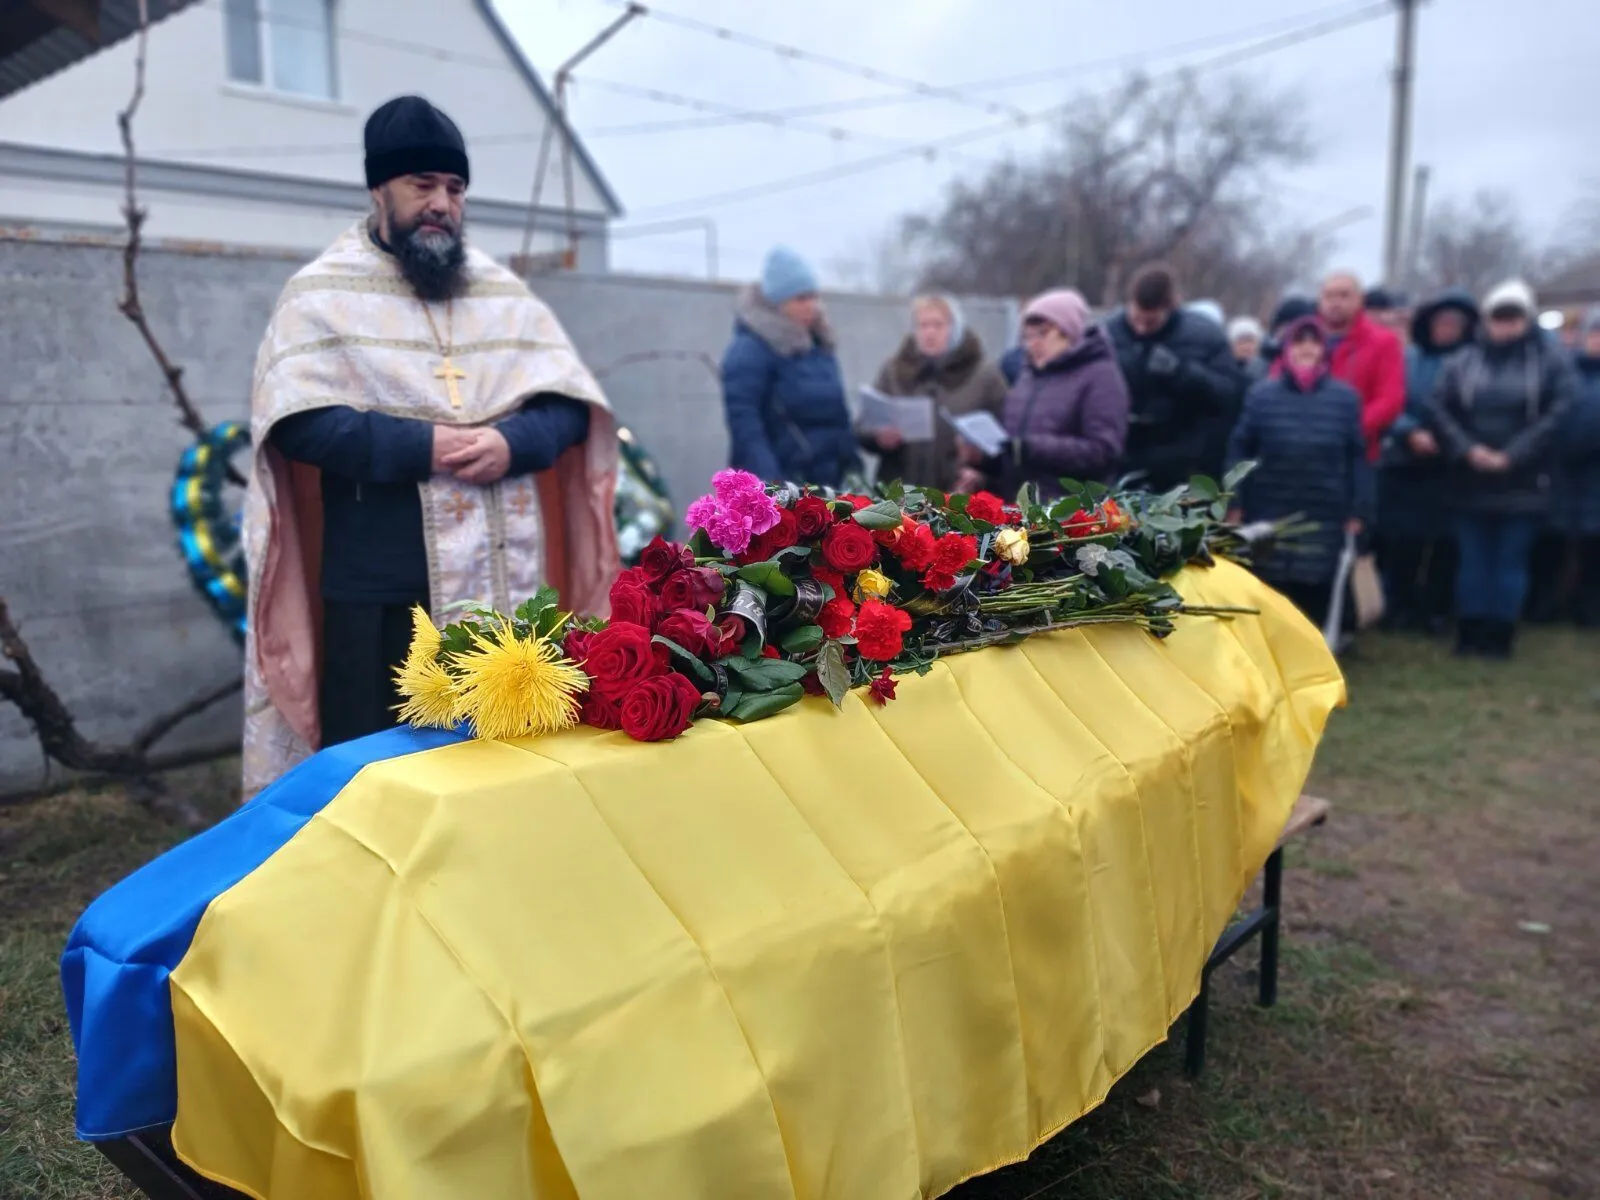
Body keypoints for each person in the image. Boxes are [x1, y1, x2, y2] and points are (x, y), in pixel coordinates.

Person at [243, 96, 618, 797]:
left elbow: (568, 410)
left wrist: (512, 442)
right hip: (380, 592)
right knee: (383, 782)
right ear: (378, 189)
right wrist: (425, 445)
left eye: (455, 188)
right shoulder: (320, 293)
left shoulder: (501, 294)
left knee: (506, 772)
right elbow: (296, 422)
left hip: (508, 582)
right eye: (422, 185)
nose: (441, 203)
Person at [1426, 280, 1576, 658]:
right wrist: (1468, 450)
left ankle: (1500, 634)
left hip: (1524, 479)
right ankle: (1470, 632)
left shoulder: (1550, 362)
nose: (1505, 325)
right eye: (1498, 317)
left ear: (1526, 319)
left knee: (1510, 560)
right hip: (1469, 477)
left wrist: (1513, 454)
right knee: (1473, 559)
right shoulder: (1462, 361)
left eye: (1513, 318)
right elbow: (1438, 408)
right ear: (1486, 319)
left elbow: (1558, 412)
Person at [1227, 316, 1372, 630]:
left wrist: (1359, 507)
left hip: (1325, 508)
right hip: (1269, 504)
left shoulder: (1345, 400)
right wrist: (1234, 500)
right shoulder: (1261, 395)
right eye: (1299, 341)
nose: (1306, 348)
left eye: (1314, 341)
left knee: (1317, 585)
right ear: (1286, 349)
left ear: (1324, 350)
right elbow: (1240, 448)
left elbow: (1357, 457)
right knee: (1272, 584)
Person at [959, 289, 1128, 499]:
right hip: (1018, 508)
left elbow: (1103, 450)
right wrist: (984, 461)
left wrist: (1031, 448)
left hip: (1069, 514)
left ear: (1069, 331)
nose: (1033, 343)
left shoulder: (1100, 376)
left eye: (1043, 333)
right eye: (1028, 336)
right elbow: (1014, 449)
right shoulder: (1028, 375)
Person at [1378, 290, 1478, 634]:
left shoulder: (1475, 361)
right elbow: (1391, 400)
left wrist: (1451, 441)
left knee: (1446, 544)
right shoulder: (1408, 359)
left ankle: (1436, 608)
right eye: (1441, 322)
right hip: (1408, 461)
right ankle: (1398, 606)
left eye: (1454, 323)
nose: (1446, 328)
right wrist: (1410, 432)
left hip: (1453, 465)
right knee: (1404, 540)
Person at [721, 246, 859, 487]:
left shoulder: (819, 345)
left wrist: (852, 468)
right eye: (801, 298)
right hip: (782, 488)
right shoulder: (751, 350)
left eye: (814, 296)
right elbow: (746, 426)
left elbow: (838, 418)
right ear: (777, 302)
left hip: (829, 488)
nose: (812, 306)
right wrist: (773, 486)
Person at [1107, 263, 1247, 489]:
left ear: (1170, 308)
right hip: (1120, 456)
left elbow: (1229, 395)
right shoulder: (1109, 332)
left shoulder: (1205, 336)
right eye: (1136, 319)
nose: (1141, 329)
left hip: (1180, 462)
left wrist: (1181, 373)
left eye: (1150, 322)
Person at [860, 294, 1008, 490]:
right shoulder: (893, 370)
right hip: (899, 492)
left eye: (938, 325)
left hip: (959, 495)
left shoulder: (985, 375)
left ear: (955, 329)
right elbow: (862, 426)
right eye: (922, 325)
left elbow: (1007, 439)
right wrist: (878, 437)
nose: (929, 333)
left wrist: (983, 470)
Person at [1317, 272, 1406, 462]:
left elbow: (1390, 400)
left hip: (1358, 452)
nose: (1335, 302)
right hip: (1304, 450)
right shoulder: (1302, 339)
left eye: (1344, 295)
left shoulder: (1383, 342)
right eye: (1329, 296)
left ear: (1359, 300)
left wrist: (1346, 429)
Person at [1549, 306, 1600, 625]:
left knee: (1595, 546)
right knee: (1552, 540)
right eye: (1595, 333)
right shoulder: (1564, 372)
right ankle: (1548, 602)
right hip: (1561, 470)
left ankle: (1589, 607)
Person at [1227, 316, 1268, 384]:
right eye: (1242, 341)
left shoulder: (1265, 370)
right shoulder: (1223, 368)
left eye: (1250, 341)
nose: (1246, 346)